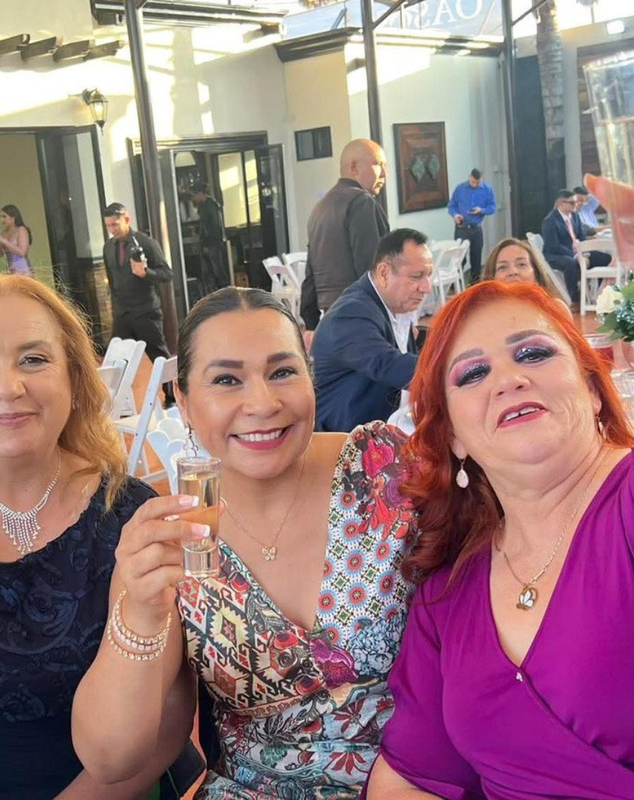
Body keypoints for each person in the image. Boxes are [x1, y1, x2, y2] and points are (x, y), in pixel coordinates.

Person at [73, 286, 421, 799]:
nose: (262, 403)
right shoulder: (172, 539)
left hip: (416, 781)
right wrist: (140, 612)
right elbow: (110, 757)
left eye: (282, 372)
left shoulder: (384, 471)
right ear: (184, 403)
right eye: (226, 380)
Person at [366, 248, 634, 797]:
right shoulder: (447, 596)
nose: (508, 379)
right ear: (454, 437)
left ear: (592, 389)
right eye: (473, 374)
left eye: (533, 353)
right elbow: (408, 778)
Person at [0, 275, 201, 798]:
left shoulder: (132, 515)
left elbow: (167, 715)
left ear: (74, 378)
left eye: (33, 359)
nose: (8, 388)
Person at [311, 228, 432, 432]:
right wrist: (455, 369)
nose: (426, 287)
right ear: (384, 273)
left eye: (428, 275)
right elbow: (388, 364)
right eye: (416, 276)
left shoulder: (395, 303)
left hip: (387, 426)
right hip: (346, 440)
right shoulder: (350, 314)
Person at [302, 139, 389, 328]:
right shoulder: (361, 202)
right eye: (377, 164)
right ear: (354, 167)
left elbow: (311, 272)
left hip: (331, 316)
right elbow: (371, 266)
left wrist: (310, 323)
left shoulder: (320, 208)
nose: (384, 174)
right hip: (362, 314)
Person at [102, 202, 173, 366]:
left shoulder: (146, 243)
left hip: (145, 312)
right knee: (117, 361)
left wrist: (146, 273)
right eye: (108, 226)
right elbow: (112, 281)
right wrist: (115, 310)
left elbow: (167, 274)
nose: (112, 230)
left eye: (115, 224)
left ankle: (172, 384)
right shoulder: (108, 247)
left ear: (126, 220)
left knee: (159, 356)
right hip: (122, 314)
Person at [541, 189, 612, 307]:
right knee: (571, 263)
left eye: (576, 202)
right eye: (572, 203)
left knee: (605, 258)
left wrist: (585, 253)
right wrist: (576, 255)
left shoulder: (574, 216)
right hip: (557, 255)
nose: (576, 205)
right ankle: (574, 300)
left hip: (577, 251)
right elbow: (554, 246)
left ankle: (599, 294)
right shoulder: (550, 221)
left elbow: (581, 237)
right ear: (561, 203)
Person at [480, 236, 572, 318]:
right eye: (502, 267)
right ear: (491, 278)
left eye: (521, 264)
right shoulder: (482, 317)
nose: (513, 272)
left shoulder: (557, 310)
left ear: (536, 274)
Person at [447, 168, 496, 281]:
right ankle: (457, 284)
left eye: (477, 183)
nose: (474, 184)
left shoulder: (487, 190)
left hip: (476, 229)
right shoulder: (460, 188)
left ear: (482, 179)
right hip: (462, 228)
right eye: (472, 182)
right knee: (460, 259)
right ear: (469, 177)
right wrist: (455, 215)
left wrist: (481, 210)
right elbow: (451, 206)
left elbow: (492, 207)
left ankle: (475, 283)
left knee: (476, 258)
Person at [190, 182, 230, 294]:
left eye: (194, 195)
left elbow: (213, 227)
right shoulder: (209, 205)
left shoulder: (209, 207)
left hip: (213, 243)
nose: (193, 198)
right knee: (215, 270)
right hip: (212, 243)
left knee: (217, 270)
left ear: (200, 193)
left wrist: (206, 243)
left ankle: (223, 293)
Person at [0, 204, 33, 276]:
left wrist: (3, 240)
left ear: (13, 218)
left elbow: (22, 252)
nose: (2, 220)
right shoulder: (3, 233)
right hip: (11, 271)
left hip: (24, 271)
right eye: (1, 217)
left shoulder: (21, 230)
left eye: (4, 217)